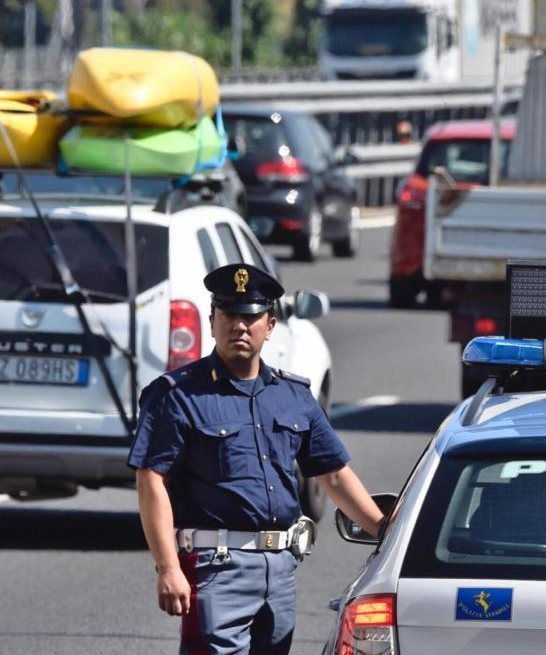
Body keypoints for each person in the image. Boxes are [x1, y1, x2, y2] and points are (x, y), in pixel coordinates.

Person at [128, 263, 385, 654]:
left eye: (250, 317)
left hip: (280, 570)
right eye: (228, 315)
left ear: (270, 326)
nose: (239, 326)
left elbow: (332, 475)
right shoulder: (177, 396)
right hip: (215, 568)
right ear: (212, 322)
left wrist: (385, 531)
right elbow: (151, 482)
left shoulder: (294, 395)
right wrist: (168, 568)